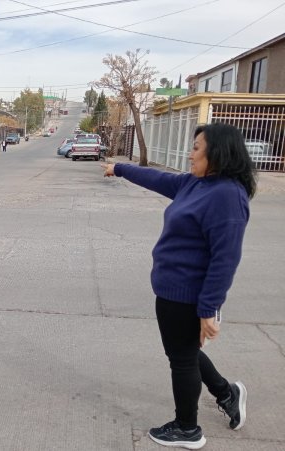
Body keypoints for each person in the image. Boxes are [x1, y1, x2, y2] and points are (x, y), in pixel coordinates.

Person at [102, 123, 256, 450]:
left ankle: (188, 428)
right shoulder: (195, 184)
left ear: (217, 152)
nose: (190, 154)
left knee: (182, 359)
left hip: (190, 296)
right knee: (183, 351)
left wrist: (208, 310)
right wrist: (120, 168)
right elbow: (158, 179)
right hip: (171, 291)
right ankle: (227, 393)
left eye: (197, 148)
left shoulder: (227, 195)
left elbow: (224, 260)